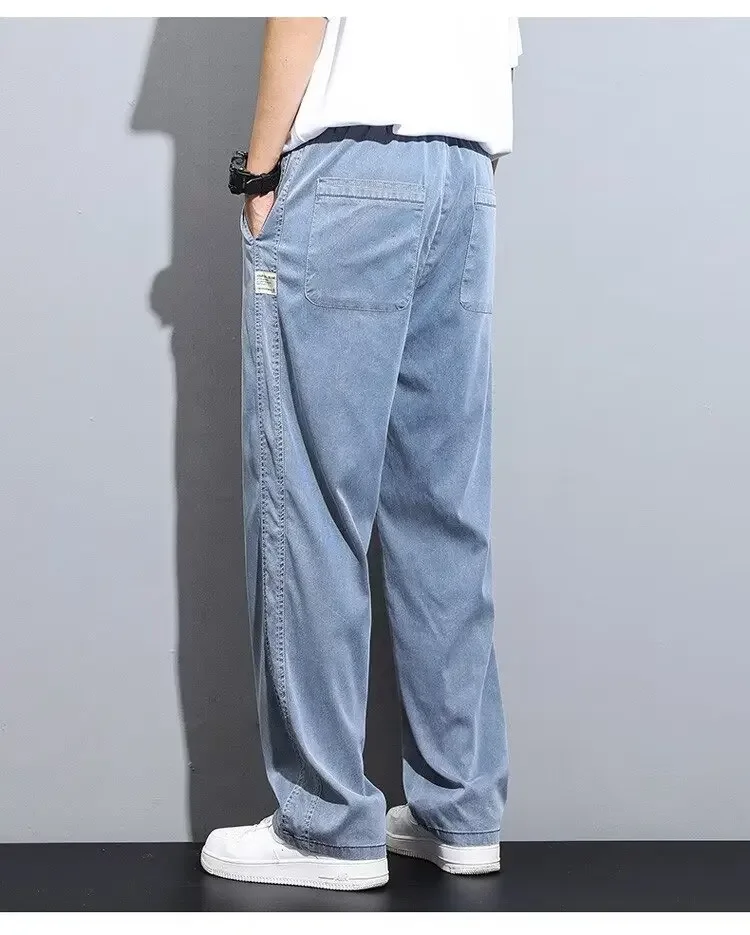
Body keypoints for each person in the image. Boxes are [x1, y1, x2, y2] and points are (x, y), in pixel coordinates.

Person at [201, 15, 522, 891]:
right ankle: (461, 809)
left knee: (310, 498)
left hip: (349, 166)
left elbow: (301, 12)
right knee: (443, 509)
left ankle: (325, 822)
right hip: (466, 174)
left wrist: (258, 170)